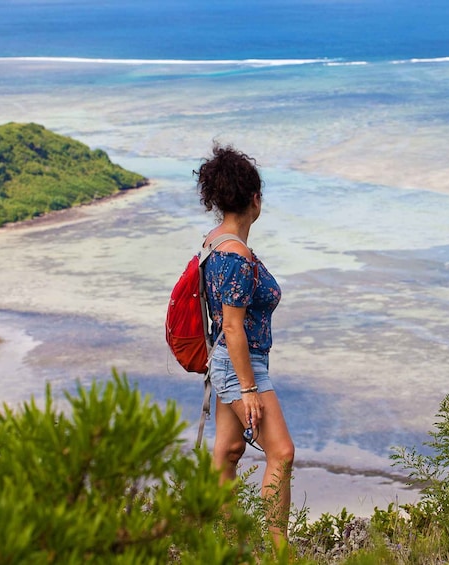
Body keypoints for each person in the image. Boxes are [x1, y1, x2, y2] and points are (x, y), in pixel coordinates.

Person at [195, 143, 295, 546]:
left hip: (226, 359)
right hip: (241, 364)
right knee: (282, 453)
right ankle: (277, 553)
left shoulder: (214, 241)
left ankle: (219, 544)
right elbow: (234, 327)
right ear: (255, 199)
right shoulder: (236, 256)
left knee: (229, 450)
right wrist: (249, 388)